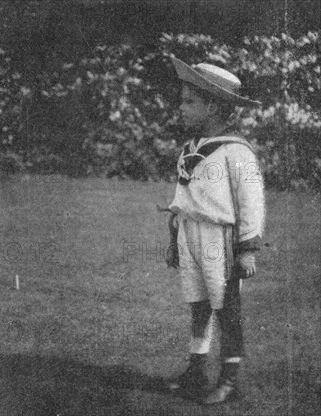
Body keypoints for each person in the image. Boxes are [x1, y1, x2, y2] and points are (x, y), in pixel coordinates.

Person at [164, 57, 265, 405]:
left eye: (189, 101)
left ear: (213, 106)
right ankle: (196, 370)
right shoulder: (189, 149)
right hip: (189, 235)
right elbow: (182, 198)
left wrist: (248, 248)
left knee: (226, 307)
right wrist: (173, 239)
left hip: (218, 240)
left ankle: (230, 377)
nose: (181, 108)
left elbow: (251, 202)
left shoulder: (236, 152)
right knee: (198, 304)